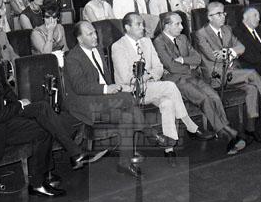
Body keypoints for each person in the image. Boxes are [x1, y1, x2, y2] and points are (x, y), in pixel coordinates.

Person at [0, 34, 106, 197]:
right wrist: (19, 105)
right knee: (43, 129)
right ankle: (39, 182)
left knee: (42, 107)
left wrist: (17, 102)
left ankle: (74, 154)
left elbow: (6, 91)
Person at [64, 21, 169, 177]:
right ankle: (150, 132)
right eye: (90, 34)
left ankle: (124, 163)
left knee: (127, 117)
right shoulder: (72, 58)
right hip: (85, 104)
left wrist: (112, 89)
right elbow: (80, 87)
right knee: (127, 98)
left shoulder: (97, 50)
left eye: (95, 32)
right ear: (79, 39)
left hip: (103, 99)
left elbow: (105, 78)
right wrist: (107, 89)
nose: (95, 36)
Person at [112, 13, 206, 162]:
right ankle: (189, 125)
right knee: (170, 85)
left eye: (143, 24)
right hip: (131, 92)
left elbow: (159, 68)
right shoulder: (118, 46)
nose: (143, 27)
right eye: (138, 24)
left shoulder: (147, 42)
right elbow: (125, 78)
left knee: (168, 103)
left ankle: (169, 148)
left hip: (151, 87)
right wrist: (147, 76)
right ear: (127, 27)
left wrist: (148, 76)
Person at [154, 12, 247, 155]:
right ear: (167, 26)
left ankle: (224, 130)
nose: (182, 27)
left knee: (215, 96)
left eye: (181, 23)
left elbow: (197, 58)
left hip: (193, 76)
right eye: (177, 24)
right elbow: (171, 66)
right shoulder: (159, 42)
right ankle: (227, 134)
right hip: (177, 81)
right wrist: (188, 66)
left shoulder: (183, 38)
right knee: (204, 99)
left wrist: (183, 60)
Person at [195, 2, 261, 143]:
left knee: (252, 89)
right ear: (209, 17)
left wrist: (229, 51)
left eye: (224, 13)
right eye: (219, 14)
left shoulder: (227, 29)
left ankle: (251, 129)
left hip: (233, 72)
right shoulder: (201, 34)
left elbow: (241, 47)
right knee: (252, 73)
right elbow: (212, 56)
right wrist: (232, 53)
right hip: (217, 76)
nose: (223, 16)